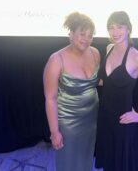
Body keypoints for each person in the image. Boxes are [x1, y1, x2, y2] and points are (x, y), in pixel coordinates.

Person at [95, 11, 138, 171]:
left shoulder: (137, 57)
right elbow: (106, 81)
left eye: (120, 27)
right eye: (111, 28)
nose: (115, 32)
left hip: (124, 121)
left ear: (128, 29)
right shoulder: (109, 48)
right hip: (105, 118)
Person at [43, 12, 100, 171]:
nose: (86, 39)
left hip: (91, 120)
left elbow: (97, 82)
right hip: (68, 122)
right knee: (68, 163)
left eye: (90, 35)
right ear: (71, 34)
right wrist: (54, 131)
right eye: (82, 34)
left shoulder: (95, 53)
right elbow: (50, 98)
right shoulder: (56, 59)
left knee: (85, 159)